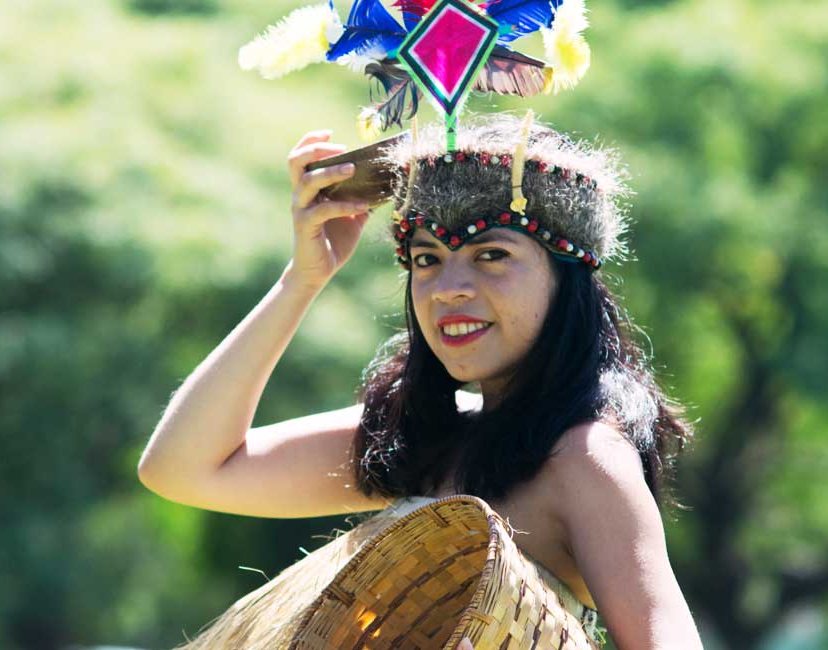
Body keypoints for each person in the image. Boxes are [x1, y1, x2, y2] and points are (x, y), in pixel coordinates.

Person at [138, 112, 705, 649]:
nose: (446, 287)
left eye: (490, 253)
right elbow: (182, 469)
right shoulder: (425, 436)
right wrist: (302, 279)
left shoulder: (585, 457)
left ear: (566, 280)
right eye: (426, 258)